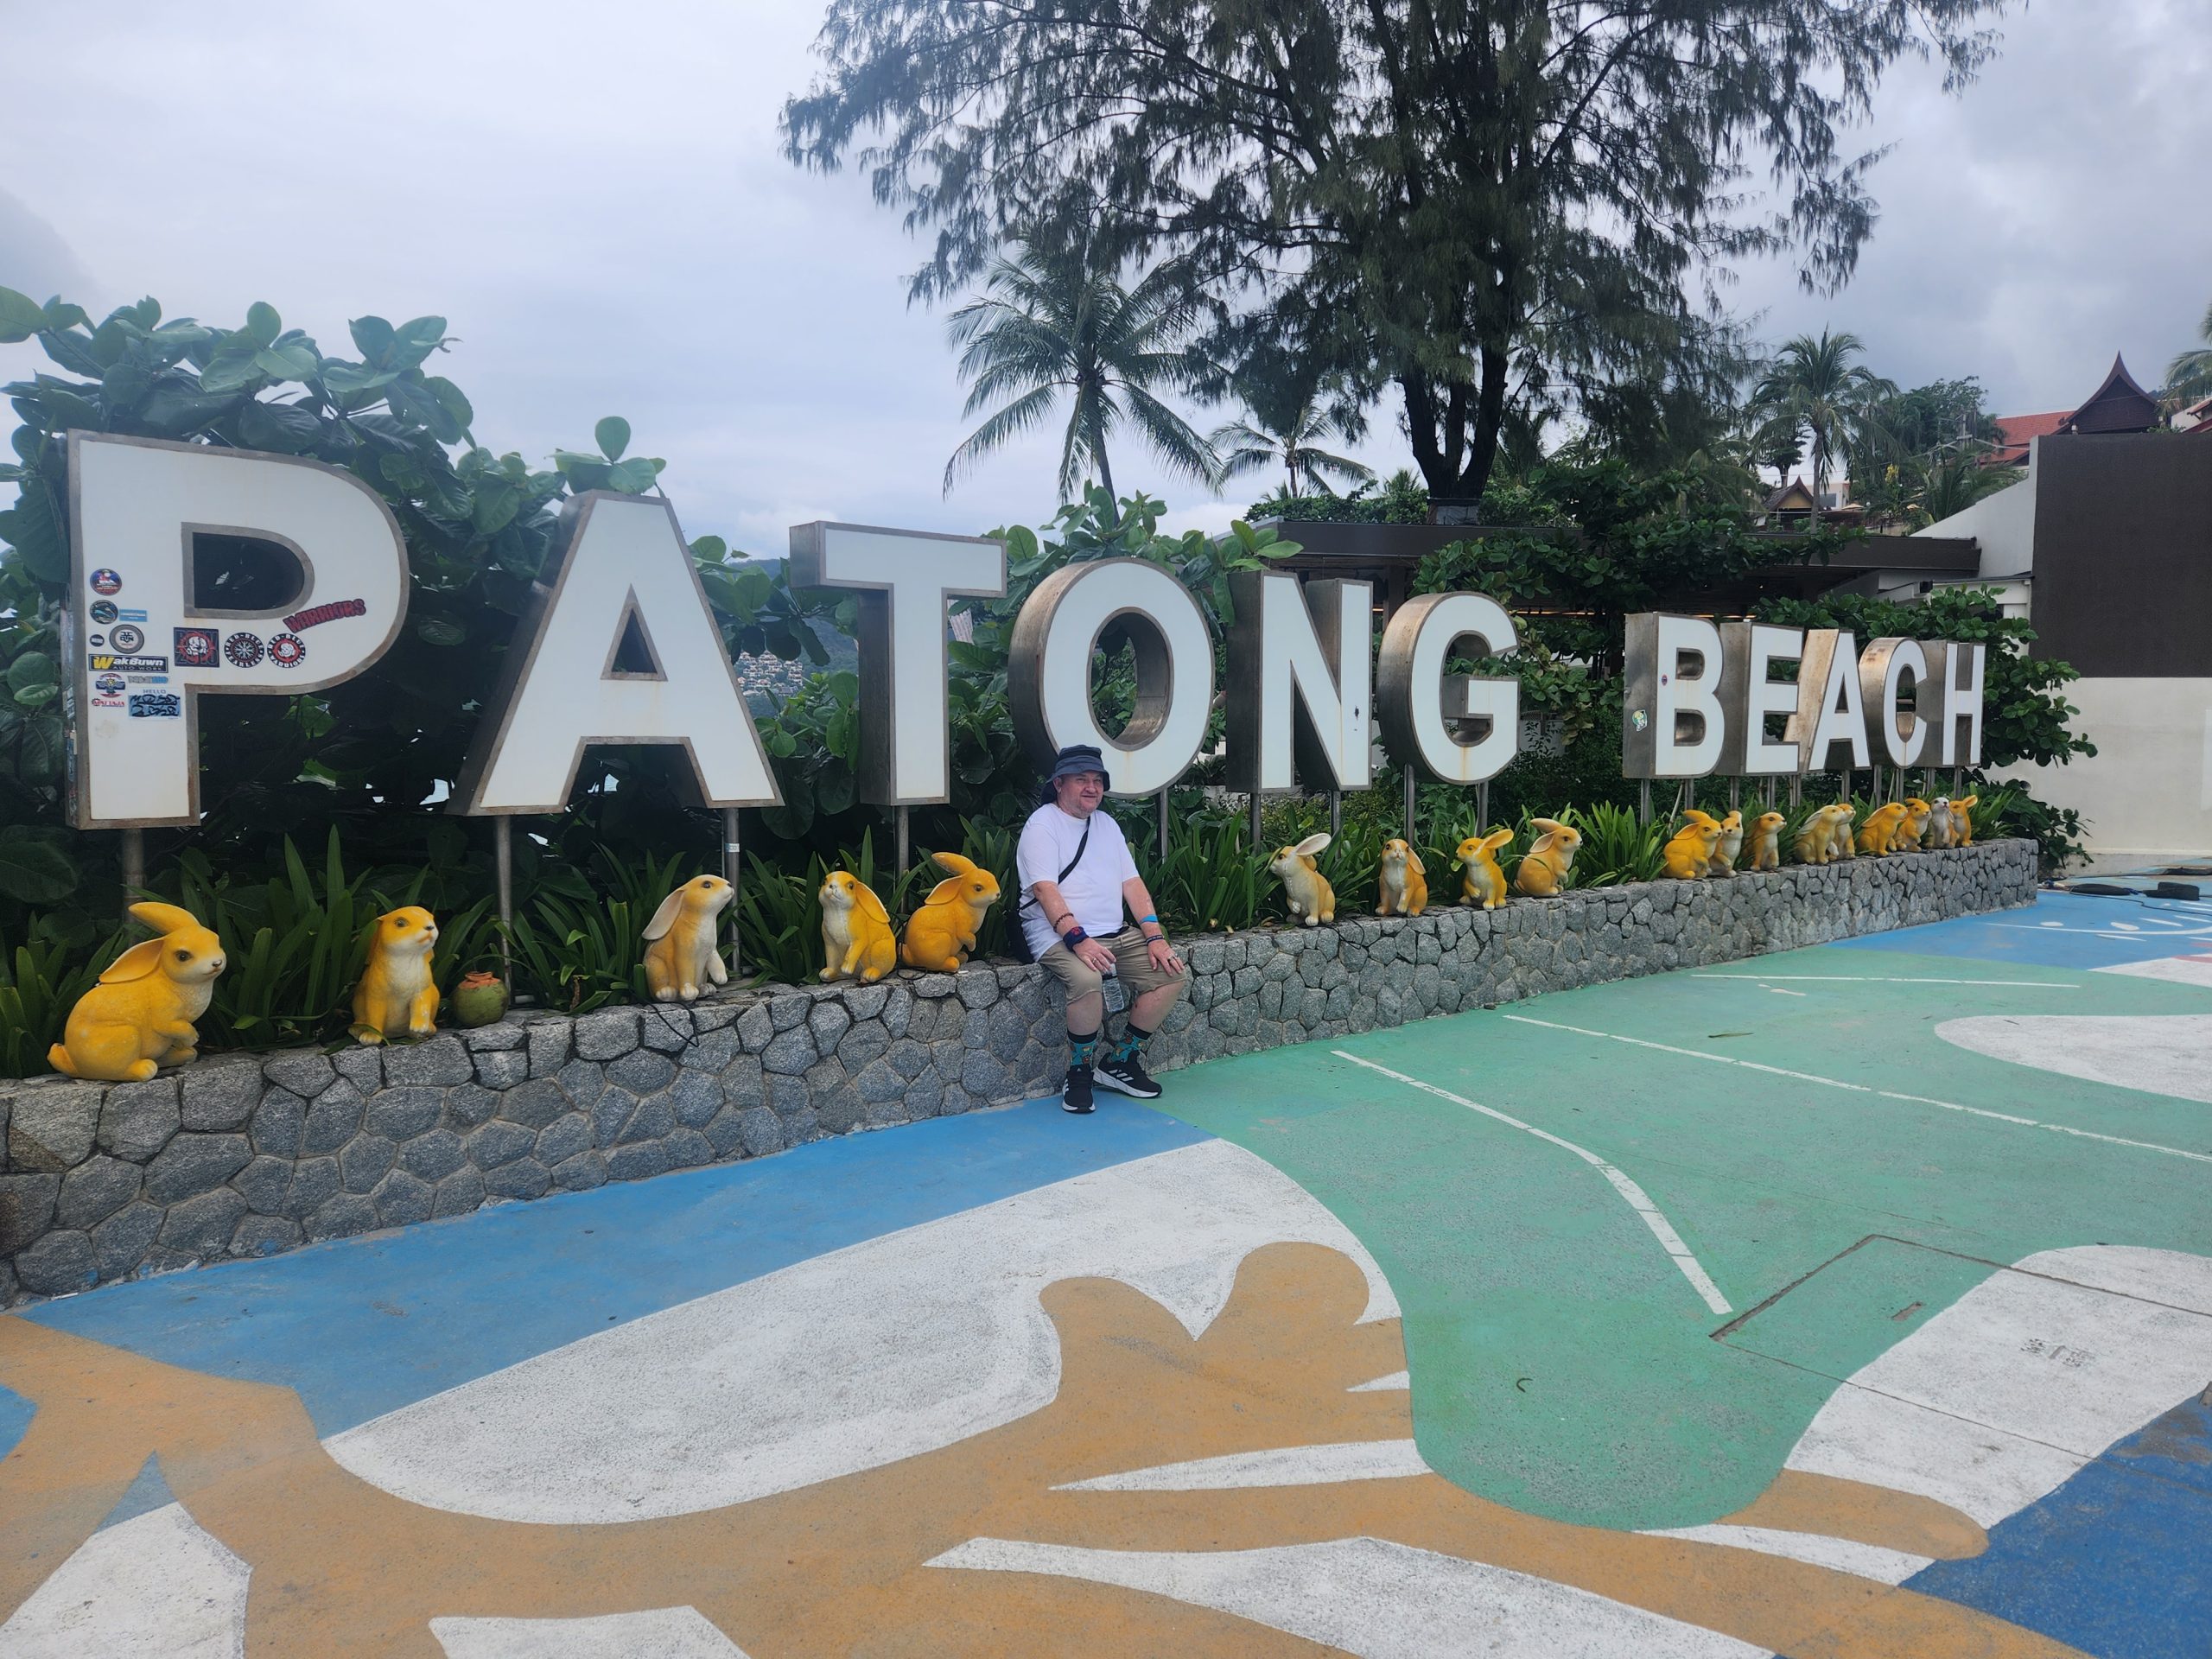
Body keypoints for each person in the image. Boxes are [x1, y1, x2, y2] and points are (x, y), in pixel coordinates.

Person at [1017, 745, 1187, 1113]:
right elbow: (1045, 890)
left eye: (1097, 780)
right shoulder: (1042, 825)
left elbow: (1133, 884)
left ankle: (1121, 1062)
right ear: (1060, 784)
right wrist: (1079, 940)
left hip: (1114, 931)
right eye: (1082, 780)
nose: (1091, 787)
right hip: (1055, 933)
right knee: (1087, 979)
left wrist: (1155, 938)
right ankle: (1079, 1071)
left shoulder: (1107, 825)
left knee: (1171, 974)